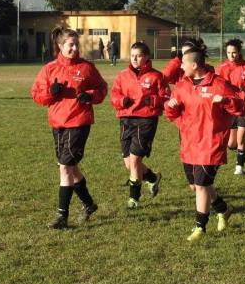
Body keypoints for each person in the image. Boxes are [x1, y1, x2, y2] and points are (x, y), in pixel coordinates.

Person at [164, 46, 243, 242]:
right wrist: (171, 107)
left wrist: (225, 100)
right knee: (197, 186)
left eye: (183, 63)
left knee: (201, 186)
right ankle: (223, 209)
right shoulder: (182, 86)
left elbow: (239, 107)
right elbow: (171, 114)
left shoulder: (219, 84)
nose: (180, 66)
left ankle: (200, 226)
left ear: (194, 64)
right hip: (189, 143)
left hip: (210, 143)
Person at [31, 27, 108, 229]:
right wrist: (51, 93)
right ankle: (89, 204)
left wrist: (90, 95)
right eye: (70, 45)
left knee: (65, 167)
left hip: (79, 122)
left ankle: (61, 217)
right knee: (70, 167)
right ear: (60, 46)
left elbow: (101, 88)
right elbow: (37, 95)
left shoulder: (86, 68)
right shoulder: (49, 69)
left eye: (76, 44)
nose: (75, 48)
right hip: (58, 123)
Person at [110, 42, 168, 209]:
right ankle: (152, 178)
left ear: (147, 57)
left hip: (146, 120)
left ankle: (133, 199)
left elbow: (166, 98)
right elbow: (114, 95)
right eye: (132, 55)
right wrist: (121, 100)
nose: (134, 58)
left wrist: (155, 100)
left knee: (135, 161)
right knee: (129, 163)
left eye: (139, 55)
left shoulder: (157, 76)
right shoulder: (122, 75)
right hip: (126, 119)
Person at [216, 38, 245, 175]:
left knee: (240, 140)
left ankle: (239, 167)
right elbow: (217, 86)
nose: (231, 55)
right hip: (230, 108)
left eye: (234, 52)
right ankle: (242, 150)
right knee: (231, 144)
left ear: (239, 52)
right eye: (229, 52)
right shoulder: (222, 68)